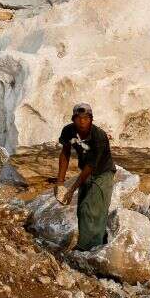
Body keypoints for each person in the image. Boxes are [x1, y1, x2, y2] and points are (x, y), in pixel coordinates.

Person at [55, 104, 117, 251]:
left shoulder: (99, 136)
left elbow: (91, 166)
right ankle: (95, 243)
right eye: (78, 118)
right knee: (81, 210)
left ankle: (86, 249)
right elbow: (65, 153)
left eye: (86, 118)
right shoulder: (69, 131)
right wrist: (59, 182)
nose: (82, 121)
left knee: (90, 209)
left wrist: (72, 190)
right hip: (86, 171)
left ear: (91, 119)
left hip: (103, 172)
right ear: (73, 119)